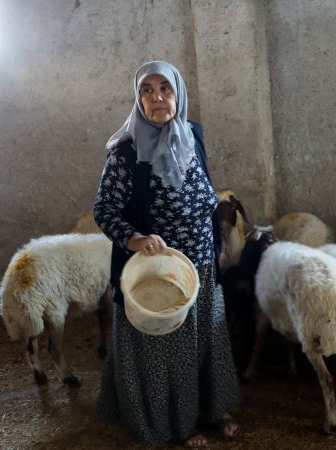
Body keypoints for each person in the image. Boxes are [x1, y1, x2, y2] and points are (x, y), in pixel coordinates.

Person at [93, 60, 240, 447]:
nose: (157, 97)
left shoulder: (192, 133)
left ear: (178, 93)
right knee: (168, 349)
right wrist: (135, 239)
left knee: (207, 336)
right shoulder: (125, 153)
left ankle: (213, 407)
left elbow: (206, 189)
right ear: (138, 98)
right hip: (158, 272)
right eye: (147, 90)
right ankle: (176, 422)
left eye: (165, 88)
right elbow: (104, 210)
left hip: (202, 265)